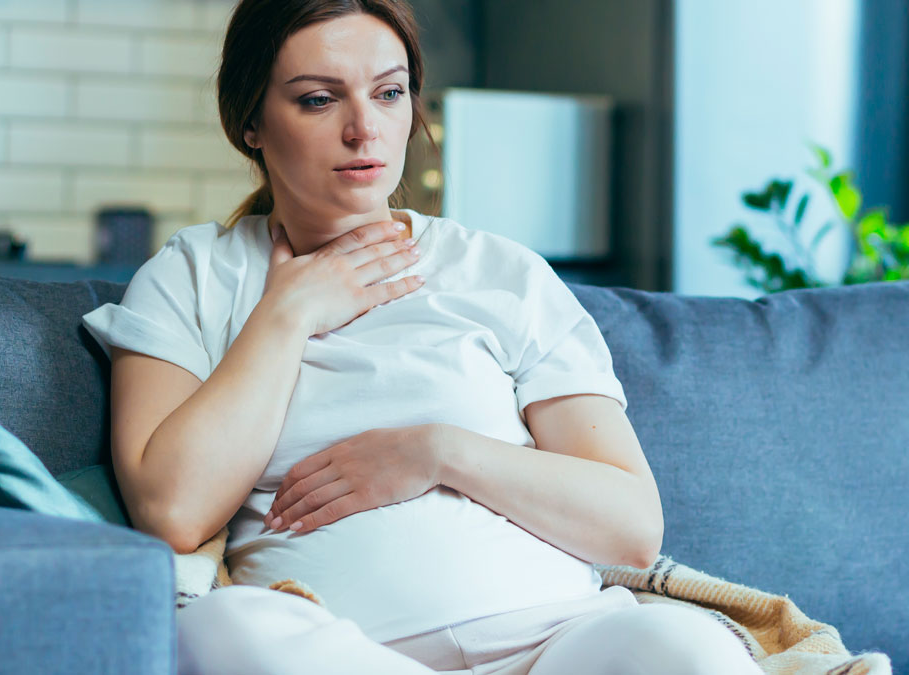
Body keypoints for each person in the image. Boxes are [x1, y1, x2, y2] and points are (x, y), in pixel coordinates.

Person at [81, 1, 764, 673]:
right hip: (341, 649)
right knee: (222, 628)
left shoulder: (499, 271)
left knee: (692, 649)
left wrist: (436, 451)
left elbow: (633, 527)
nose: (364, 129)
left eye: (389, 93)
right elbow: (172, 510)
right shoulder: (193, 275)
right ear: (251, 121)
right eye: (319, 100)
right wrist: (287, 313)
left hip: (555, 643)